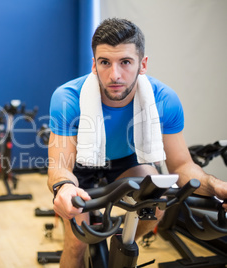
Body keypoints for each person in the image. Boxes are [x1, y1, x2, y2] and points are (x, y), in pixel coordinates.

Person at [47, 18, 227, 267]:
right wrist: (64, 188)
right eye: (105, 63)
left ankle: (119, 240)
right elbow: (59, 167)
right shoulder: (67, 98)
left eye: (125, 62)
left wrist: (216, 187)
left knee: (156, 205)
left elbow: (183, 166)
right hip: (79, 163)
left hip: (125, 159)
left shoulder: (164, 99)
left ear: (142, 64)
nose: (115, 75)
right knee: (77, 241)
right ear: (94, 64)